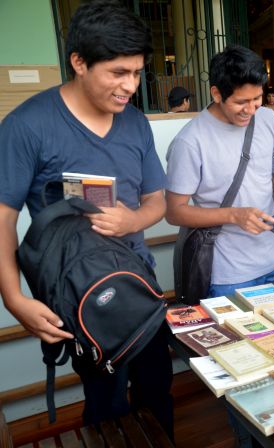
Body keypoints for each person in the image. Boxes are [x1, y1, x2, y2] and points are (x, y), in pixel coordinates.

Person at [0, 0, 172, 435]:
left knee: (157, 394)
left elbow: (159, 201)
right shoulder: (28, 126)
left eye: (136, 73)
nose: (130, 86)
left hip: (141, 288)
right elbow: (2, 219)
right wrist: (14, 299)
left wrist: (133, 222)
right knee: (105, 407)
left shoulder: (135, 123)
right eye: (118, 73)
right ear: (79, 62)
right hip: (79, 299)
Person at [165, 46, 274, 297]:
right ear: (217, 93)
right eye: (241, 102)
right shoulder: (190, 141)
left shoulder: (269, 120)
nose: (251, 110)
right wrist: (234, 215)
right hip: (228, 275)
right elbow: (174, 211)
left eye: (257, 99)